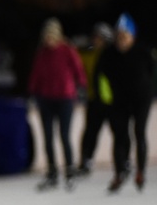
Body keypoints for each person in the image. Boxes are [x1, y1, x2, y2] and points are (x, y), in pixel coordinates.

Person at [96, 13, 154, 192]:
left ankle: (140, 172)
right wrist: (105, 98)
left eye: (125, 36)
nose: (121, 41)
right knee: (120, 136)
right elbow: (100, 76)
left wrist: (151, 92)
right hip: (119, 101)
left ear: (132, 37)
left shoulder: (142, 51)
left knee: (139, 133)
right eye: (118, 36)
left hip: (141, 99)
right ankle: (119, 172)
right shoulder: (108, 54)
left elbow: (153, 72)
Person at [26, 17, 86, 191]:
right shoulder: (42, 53)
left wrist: (81, 86)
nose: (49, 39)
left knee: (64, 135)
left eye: (52, 36)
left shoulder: (67, 50)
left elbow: (78, 69)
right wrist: (32, 92)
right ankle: (52, 172)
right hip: (46, 99)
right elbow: (36, 74)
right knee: (47, 137)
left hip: (65, 98)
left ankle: (70, 171)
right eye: (47, 36)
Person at [75, 22, 114, 176]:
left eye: (100, 38)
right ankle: (86, 159)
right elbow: (78, 68)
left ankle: (123, 160)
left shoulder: (113, 55)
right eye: (95, 37)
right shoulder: (88, 55)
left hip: (112, 100)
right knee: (91, 131)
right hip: (93, 98)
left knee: (119, 131)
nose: (96, 40)